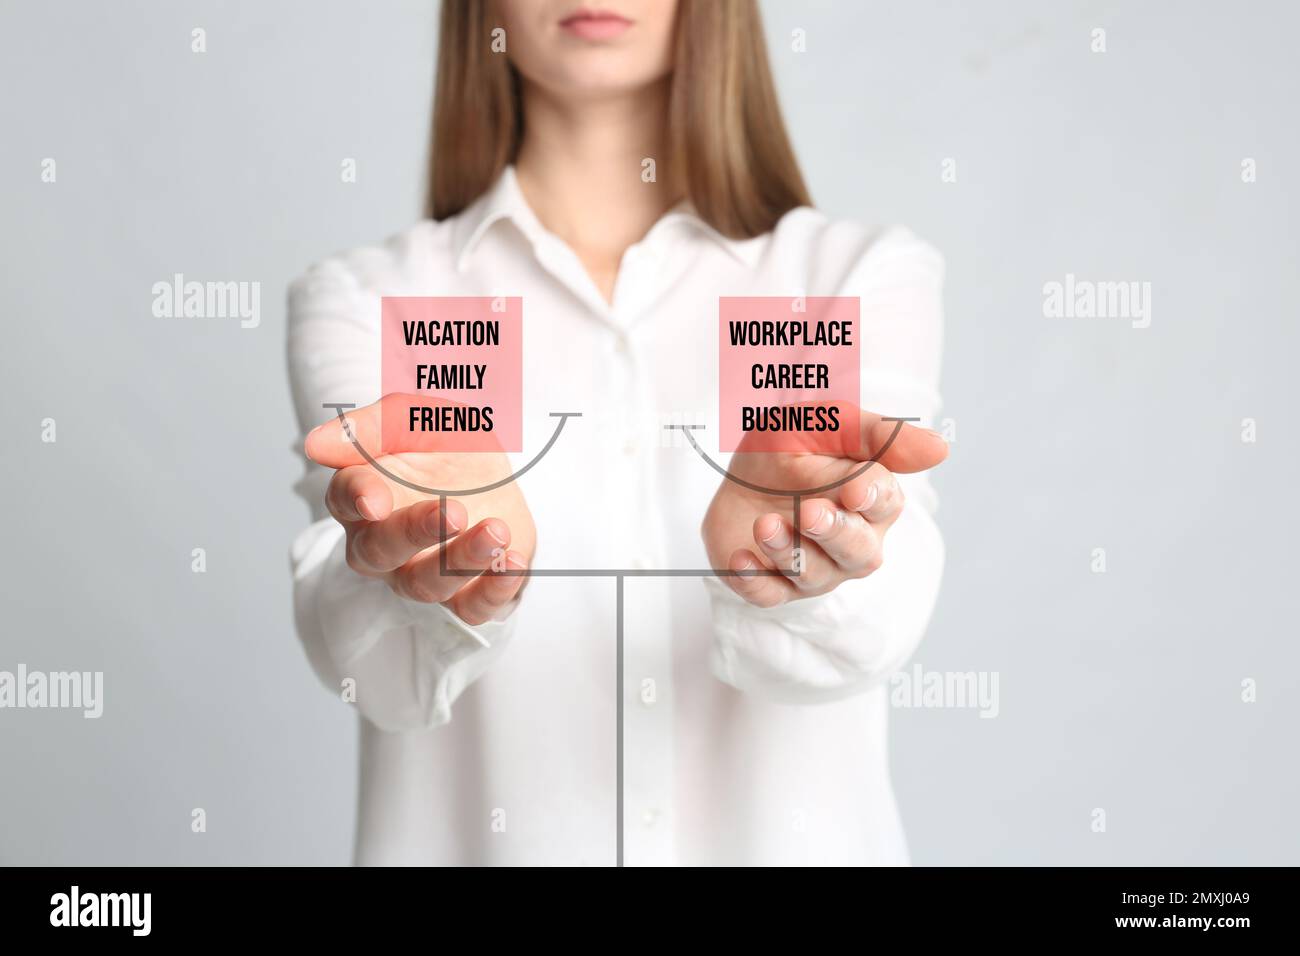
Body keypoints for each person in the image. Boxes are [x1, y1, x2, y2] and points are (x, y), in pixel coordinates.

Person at [287, 0, 948, 866]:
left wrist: (789, 553)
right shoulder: (381, 298)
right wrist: (441, 566)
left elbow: (871, 635)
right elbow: (375, 676)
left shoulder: (836, 280)